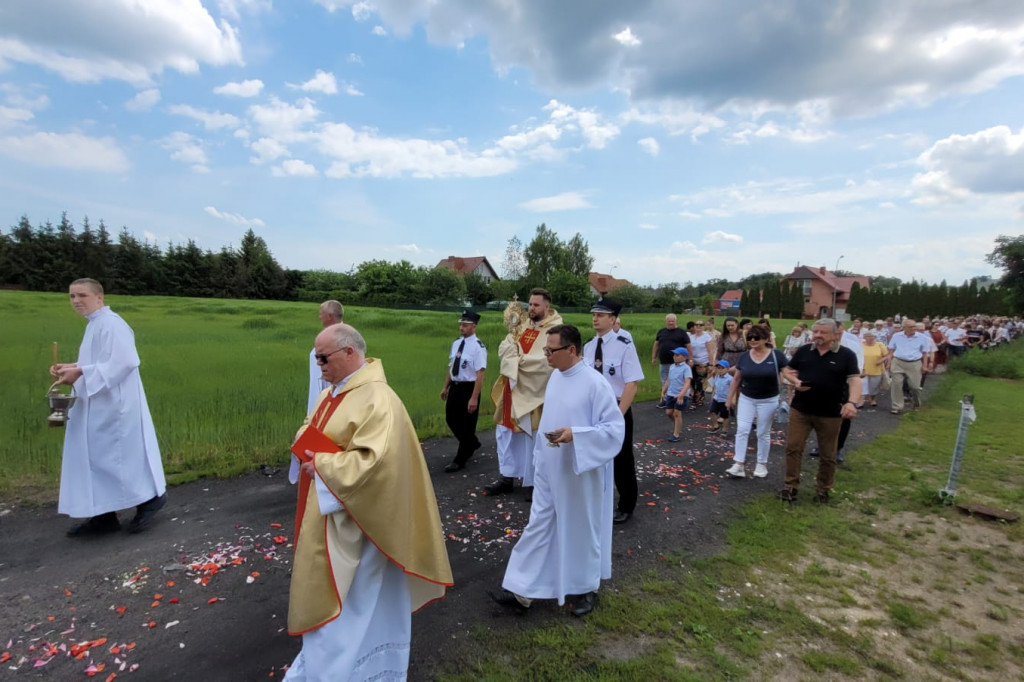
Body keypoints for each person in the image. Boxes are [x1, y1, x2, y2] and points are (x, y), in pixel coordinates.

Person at [286, 323, 453, 680]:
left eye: (323, 357)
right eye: (317, 358)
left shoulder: (379, 398)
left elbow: (376, 464)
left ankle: (351, 670)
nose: (319, 365)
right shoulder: (332, 393)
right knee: (348, 604)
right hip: (335, 514)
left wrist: (325, 464)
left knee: (355, 603)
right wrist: (308, 443)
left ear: (350, 353)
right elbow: (308, 426)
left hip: (364, 526)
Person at [490, 324, 625, 618]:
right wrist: (539, 459)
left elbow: (614, 430)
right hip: (550, 470)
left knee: (581, 530)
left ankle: (587, 588)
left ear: (571, 350)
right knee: (538, 525)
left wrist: (576, 434)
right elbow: (548, 421)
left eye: (551, 350)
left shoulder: (594, 384)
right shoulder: (556, 379)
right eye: (546, 349)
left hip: (579, 472)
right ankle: (522, 589)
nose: (546, 355)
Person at [50, 278, 167, 536]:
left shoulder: (112, 324)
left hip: (115, 404)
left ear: (99, 297)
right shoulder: (95, 324)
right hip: (98, 400)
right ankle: (104, 514)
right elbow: (98, 361)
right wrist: (71, 368)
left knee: (117, 457)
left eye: (82, 295)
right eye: (72, 296)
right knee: (95, 457)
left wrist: (80, 372)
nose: (77, 301)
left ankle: (150, 499)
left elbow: (125, 362)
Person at [488, 288, 563, 498]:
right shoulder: (523, 325)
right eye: (530, 304)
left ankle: (532, 482)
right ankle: (507, 477)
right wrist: (514, 360)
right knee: (506, 432)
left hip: (534, 393)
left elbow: (545, 362)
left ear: (547, 306)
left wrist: (517, 361)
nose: (531, 308)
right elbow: (505, 346)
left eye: (536, 305)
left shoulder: (557, 329)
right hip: (512, 389)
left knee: (531, 436)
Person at [778, 319, 861, 503]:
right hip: (801, 409)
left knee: (828, 454)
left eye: (822, 332)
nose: (817, 335)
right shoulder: (804, 351)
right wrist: (795, 382)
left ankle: (823, 488)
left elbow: (855, 380)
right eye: (815, 332)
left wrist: (852, 403)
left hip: (830, 412)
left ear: (834, 335)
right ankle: (790, 486)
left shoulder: (846, 355)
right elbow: (788, 371)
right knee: (793, 447)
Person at [584, 297, 644, 524]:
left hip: (617, 408)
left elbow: (632, 383)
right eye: (594, 314)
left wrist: (617, 415)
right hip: (593, 409)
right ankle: (596, 501)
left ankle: (626, 505)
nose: (595, 318)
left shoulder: (624, 345)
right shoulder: (589, 346)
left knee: (622, 458)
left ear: (612, 319)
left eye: (600, 315)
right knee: (593, 456)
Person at [724, 324, 787, 480]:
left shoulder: (776, 355)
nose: (752, 340)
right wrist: (730, 397)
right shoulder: (744, 357)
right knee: (743, 429)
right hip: (747, 397)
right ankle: (738, 464)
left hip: (768, 399)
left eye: (756, 337)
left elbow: (786, 374)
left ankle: (761, 464)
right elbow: (737, 378)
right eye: (750, 337)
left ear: (766, 339)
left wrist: (795, 384)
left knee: (762, 432)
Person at [440, 311, 487, 473]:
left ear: (474, 327)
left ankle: (460, 459)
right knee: (451, 419)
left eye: (465, 325)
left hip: (469, 388)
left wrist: (474, 397)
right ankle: (472, 443)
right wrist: (445, 386)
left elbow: (480, 373)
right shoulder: (457, 343)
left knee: (467, 424)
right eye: (461, 324)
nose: (462, 328)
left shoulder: (478, 347)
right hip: (455, 386)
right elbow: (452, 366)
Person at [886, 319, 931, 415]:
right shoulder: (897, 336)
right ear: (904, 327)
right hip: (898, 362)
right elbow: (891, 350)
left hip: (914, 363)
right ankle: (897, 406)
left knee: (915, 387)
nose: (913, 329)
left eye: (914, 326)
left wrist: (925, 366)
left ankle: (916, 403)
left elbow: (925, 353)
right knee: (896, 384)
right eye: (910, 327)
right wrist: (889, 362)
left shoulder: (922, 338)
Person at [307, 300, 343, 415]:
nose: (319, 316)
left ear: (330, 316)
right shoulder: (329, 335)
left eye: (321, 313)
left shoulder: (340, 338)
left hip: (330, 397)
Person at [651, 314, 691, 408]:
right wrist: (653, 357)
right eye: (669, 321)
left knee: (678, 381)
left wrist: (690, 359)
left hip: (677, 362)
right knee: (664, 381)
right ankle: (664, 400)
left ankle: (680, 398)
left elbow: (688, 346)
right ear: (666, 321)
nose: (670, 323)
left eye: (672, 321)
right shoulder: (661, 332)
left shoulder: (681, 332)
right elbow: (656, 344)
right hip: (664, 361)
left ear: (676, 321)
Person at [662, 348, 692, 442]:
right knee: (668, 412)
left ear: (684, 357)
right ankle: (677, 424)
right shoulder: (672, 366)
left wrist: (682, 394)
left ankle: (676, 434)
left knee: (677, 413)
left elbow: (687, 382)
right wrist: (663, 391)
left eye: (677, 355)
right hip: (671, 393)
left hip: (681, 395)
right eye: (674, 355)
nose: (675, 357)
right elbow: (668, 380)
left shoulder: (686, 368)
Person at [687, 320, 714, 406]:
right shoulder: (691, 337)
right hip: (692, 362)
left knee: (699, 381)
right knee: (692, 381)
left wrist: (711, 364)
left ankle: (696, 401)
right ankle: (701, 397)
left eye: (700, 325)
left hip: (703, 362)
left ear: (703, 326)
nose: (698, 326)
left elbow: (710, 351)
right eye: (696, 324)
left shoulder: (707, 337)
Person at [860, 330, 887, 408]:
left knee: (873, 386)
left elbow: (886, 355)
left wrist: (881, 360)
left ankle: (872, 399)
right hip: (863, 369)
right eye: (868, 336)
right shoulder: (861, 345)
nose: (871, 338)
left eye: (872, 336)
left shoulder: (880, 345)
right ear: (865, 337)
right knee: (863, 386)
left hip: (876, 369)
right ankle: (862, 400)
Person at [707, 360, 733, 433]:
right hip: (716, 398)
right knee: (712, 412)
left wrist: (731, 400)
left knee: (725, 416)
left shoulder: (730, 379)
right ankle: (716, 426)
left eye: (722, 368)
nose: (720, 370)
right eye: (719, 368)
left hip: (725, 400)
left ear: (727, 369)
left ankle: (724, 430)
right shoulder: (717, 377)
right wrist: (710, 374)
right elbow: (711, 383)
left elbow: (733, 390)